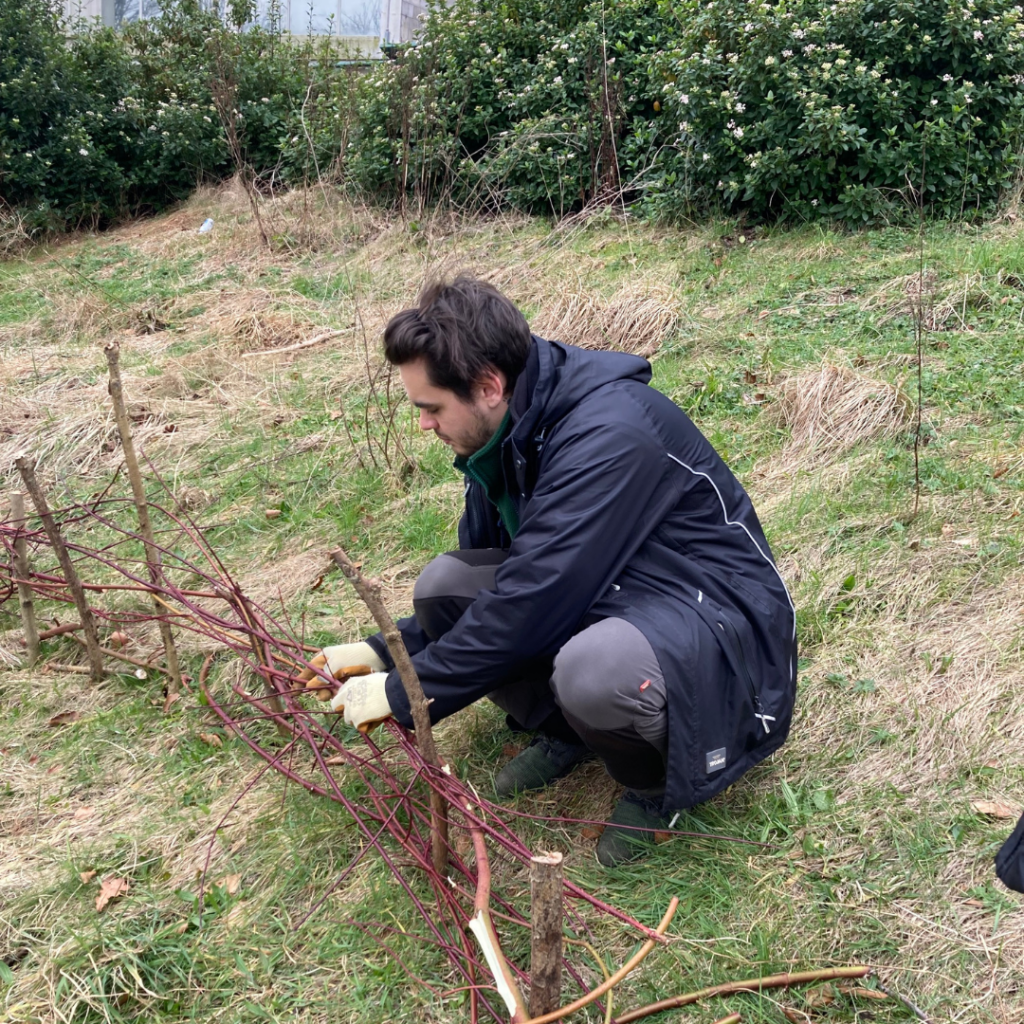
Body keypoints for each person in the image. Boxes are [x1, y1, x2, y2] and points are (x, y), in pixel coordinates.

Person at [312, 275, 797, 866]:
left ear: (488, 385)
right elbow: (501, 579)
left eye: (431, 408)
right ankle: (571, 731)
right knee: (446, 587)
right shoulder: (510, 430)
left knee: (596, 670)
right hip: (613, 587)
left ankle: (655, 786)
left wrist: (402, 692)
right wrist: (384, 650)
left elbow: (532, 601)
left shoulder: (609, 432)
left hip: (709, 611)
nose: (423, 425)